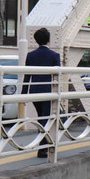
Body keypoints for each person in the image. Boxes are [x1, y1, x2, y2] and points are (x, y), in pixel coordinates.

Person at [24, 28, 61, 158]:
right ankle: (42, 148)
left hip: (35, 91)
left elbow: (26, 76)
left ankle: (43, 145)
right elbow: (58, 77)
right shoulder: (55, 56)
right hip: (49, 91)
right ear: (49, 40)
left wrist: (24, 95)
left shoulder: (30, 55)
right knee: (46, 119)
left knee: (41, 118)